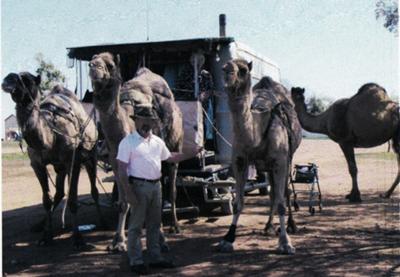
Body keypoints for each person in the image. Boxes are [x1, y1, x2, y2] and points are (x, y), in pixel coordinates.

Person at [116, 105, 202, 275]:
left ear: (154, 123)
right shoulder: (128, 142)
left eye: (150, 121)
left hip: (156, 186)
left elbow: (170, 157)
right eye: (143, 120)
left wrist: (191, 153)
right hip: (138, 187)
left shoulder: (157, 141)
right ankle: (136, 261)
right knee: (135, 227)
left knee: (155, 225)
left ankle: (155, 258)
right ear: (136, 121)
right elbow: (121, 169)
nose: (146, 124)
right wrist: (128, 193)